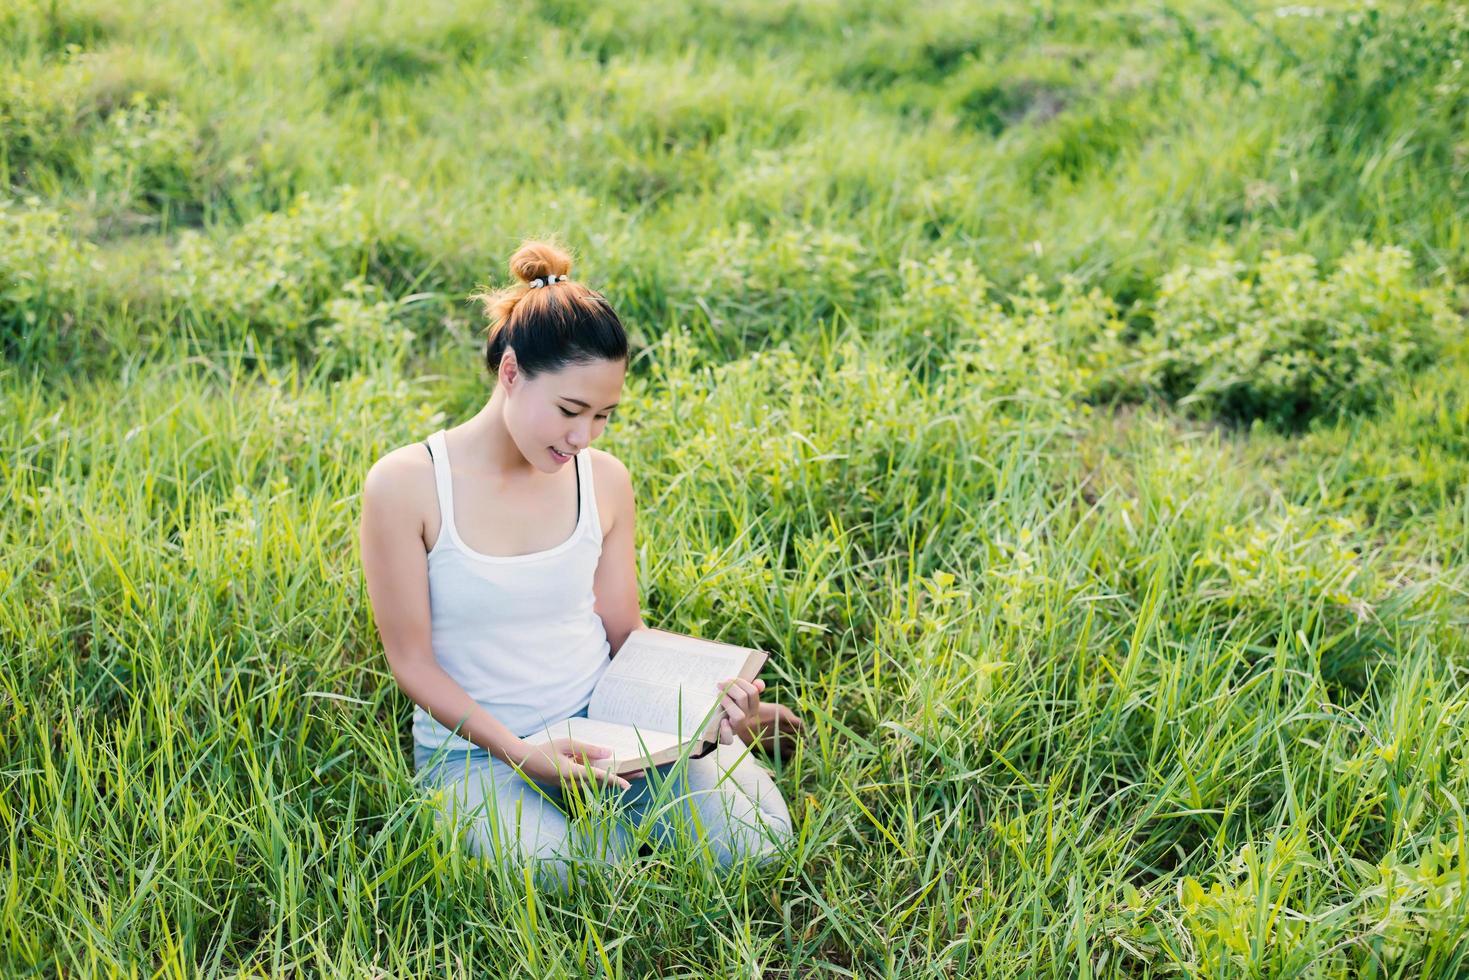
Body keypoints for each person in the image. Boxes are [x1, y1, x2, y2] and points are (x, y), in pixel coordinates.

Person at [359, 239, 804, 888]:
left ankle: (679, 785)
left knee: (755, 844)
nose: (583, 437)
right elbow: (412, 662)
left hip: (611, 730)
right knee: (581, 879)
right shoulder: (405, 484)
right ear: (510, 373)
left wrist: (708, 707)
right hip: (479, 755)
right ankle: (597, 828)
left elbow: (623, 632)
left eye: (603, 416)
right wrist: (523, 755)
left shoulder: (602, 479)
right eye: (570, 411)